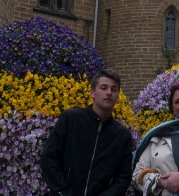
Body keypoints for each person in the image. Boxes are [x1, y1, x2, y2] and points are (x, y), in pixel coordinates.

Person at [41, 68, 133, 196]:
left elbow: (123, 177)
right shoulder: (71, 119)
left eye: (114, 89)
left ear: (118, 95)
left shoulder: (122, 135)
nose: (109, 92)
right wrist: (63, 192)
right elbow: (49, 158)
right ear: (92, 93)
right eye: (104, 88)